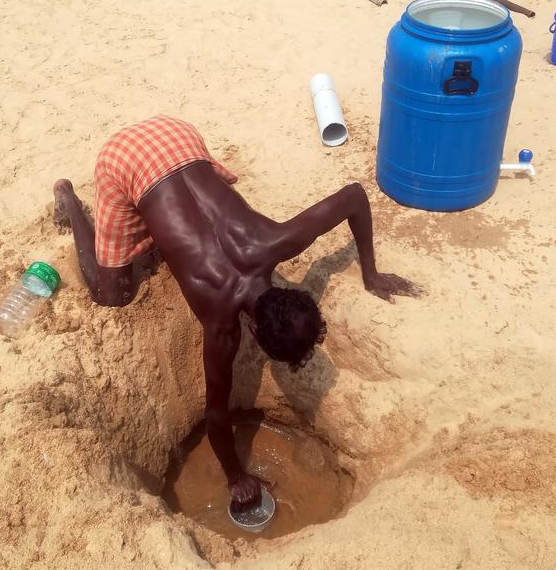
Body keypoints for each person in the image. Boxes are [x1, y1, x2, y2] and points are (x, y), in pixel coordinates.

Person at [54, 115, 421, 508]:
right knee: (111, 294)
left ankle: (152, 222)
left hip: (176, 136)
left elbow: (353, 196)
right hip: (123, 158)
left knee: (171, 224)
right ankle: (71, 202)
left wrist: (371, 272)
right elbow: (215, 413)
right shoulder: (218, 320)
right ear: (255, 332)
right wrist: (234, 477)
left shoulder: (277, 241)